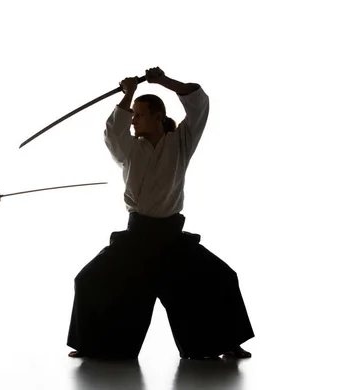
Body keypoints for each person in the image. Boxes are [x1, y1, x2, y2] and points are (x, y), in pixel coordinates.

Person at [66, 67, 254, 360]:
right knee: (89, 279)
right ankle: (94, 345)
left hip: (170, 238)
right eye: (132, 115)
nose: (133, 120)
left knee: (221, 277)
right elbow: (112, 132)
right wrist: (128, 94)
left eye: (139, 115)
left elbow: (198, 103)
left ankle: (226, 342)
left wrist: (163, 81)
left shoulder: (181, 142)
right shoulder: (129, 148)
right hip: (137, 237)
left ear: (157, 116)